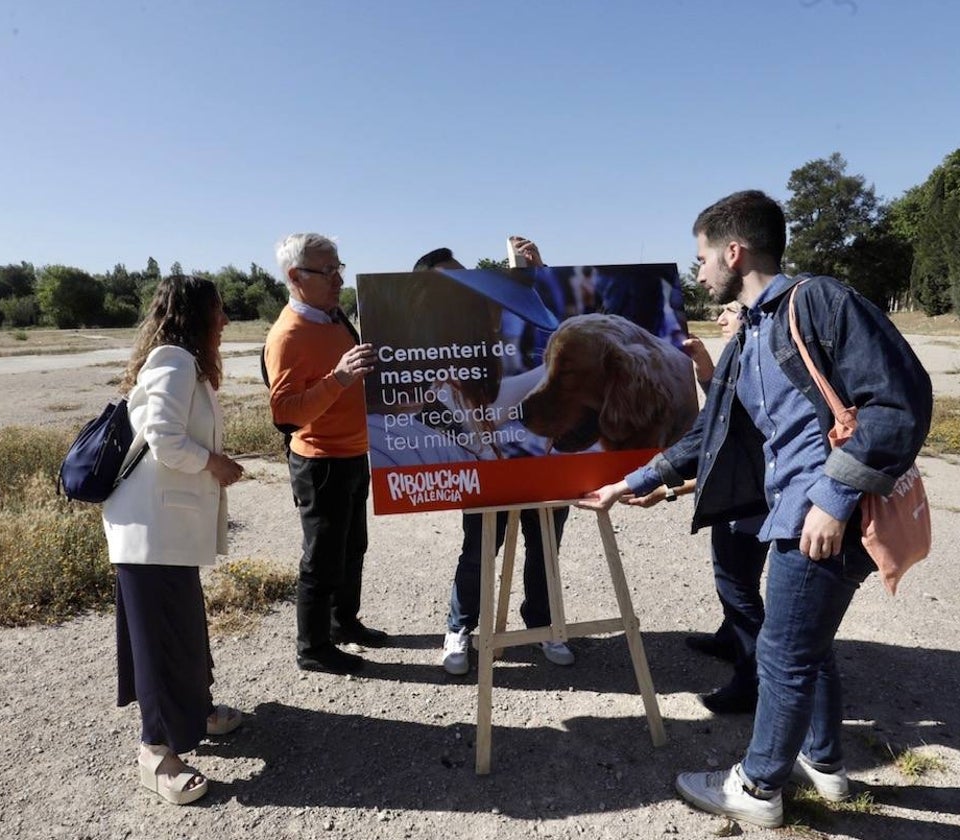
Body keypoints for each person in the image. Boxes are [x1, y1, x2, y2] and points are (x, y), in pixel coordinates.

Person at [582, 190, 932, 828]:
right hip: (797, 512)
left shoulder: (819, 301)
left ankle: (758, 786)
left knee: (781, 652)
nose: (698, 271)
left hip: (824, 518)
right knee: (809, 644)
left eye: (701, 257)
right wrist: (634, 480)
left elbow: (899, 401)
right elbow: (712, 431)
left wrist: (832, 497)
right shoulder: (756, 330)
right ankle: (824, 765)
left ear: (733, 251)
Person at [102, 275, 246, 806]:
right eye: (219, 310)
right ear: (196, 314)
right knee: (160, 640)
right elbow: (164, 438)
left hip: (164, 529)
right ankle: (156, 755)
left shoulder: (185, 364)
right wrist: (214, 463)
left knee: (182, 626)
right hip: (149, 530)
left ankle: (198, 711)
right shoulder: (174, 359)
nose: (226, 320)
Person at [413, 241, 574, 676]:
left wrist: (536, 273)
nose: (466, 290)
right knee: (480, 548)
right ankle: (460, 627)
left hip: (539, 464)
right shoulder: (433, 357)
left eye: (465, 277)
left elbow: (560, 344)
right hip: (487, 470)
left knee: (545, 547)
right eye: (449, 283)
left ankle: (542, 624)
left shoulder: (496, 320)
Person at [638, 302, 768, 715]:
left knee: (737, 586)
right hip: (743, 497)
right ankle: (730, 638)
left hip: (750, 502)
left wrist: (664, 486)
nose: (720, 318)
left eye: (730, 310)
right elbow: (729, 416)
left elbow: (726, 439)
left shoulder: (756, 360)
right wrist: (707, 374)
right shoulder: (748, 355)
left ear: (752, 314)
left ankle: (753, 679)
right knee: (737, 577)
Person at [265, 233, 385, 675]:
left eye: (340, 267)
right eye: (327, 271)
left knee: (353, 547)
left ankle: (343, 623)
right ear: (296, 277)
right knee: (322, 557)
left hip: (354, 452)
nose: (338, 279)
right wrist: (337, 379)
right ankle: (312, 647)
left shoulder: (333, 318)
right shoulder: (288, 334)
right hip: (321, 463)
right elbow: (285, 414)